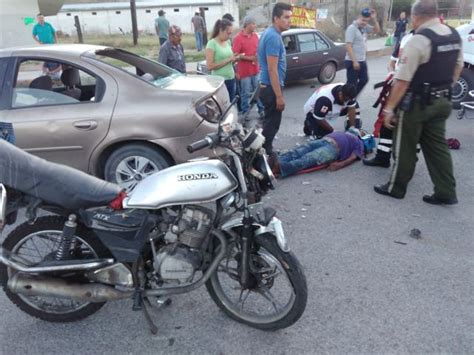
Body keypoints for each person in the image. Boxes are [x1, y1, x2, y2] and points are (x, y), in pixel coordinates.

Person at [374, 0, 463, 205]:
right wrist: (443, 87)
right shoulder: (453, 34)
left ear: (416, 16)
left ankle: (395, 187)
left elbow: (402, 80)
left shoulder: (419, 39)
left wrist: (389, 109)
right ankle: (446, 192)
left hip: (417, 103)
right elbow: (457, 68)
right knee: (438, 148)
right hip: (442, 100)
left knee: (404, 146)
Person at [364, 31, 415, 168]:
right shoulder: (405, 39)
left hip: (411, 91)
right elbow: (392, 62)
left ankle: (406, 163)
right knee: (387, 125)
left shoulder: (425, 40)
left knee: (408, 128)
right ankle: (382, 157)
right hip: (398, 85)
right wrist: (392, 73)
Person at [258, 2, 292, 155]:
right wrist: (279, 96)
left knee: (269, 122)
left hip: (268, 86)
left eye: (290, 17)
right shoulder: (273, 37)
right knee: (272, 124)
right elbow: (272, 69)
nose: (289, 20)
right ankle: (265, 154)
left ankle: (264, 150)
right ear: (276, 18)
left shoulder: (271, 33)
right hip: (271, 88)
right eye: (286, 17)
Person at [272, 130, 365, 178]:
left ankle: (280, 168)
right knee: (298, 151)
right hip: (324, 140)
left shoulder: (359, 142)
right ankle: (276, 161)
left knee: (306, 159)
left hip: (333, 149)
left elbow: (353, 157)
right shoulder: (345, 132)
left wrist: (339, 165)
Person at [232, 16, 264, 117]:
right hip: (244, 71)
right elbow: (235, 55)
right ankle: (245, 112)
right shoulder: (238, 38)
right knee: (245, 92)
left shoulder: (255, 36)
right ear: (248, 25)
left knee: (258, 91)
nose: (255, 26)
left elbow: (258, 49)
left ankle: (261, 110)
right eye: (253, 24)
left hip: (255, 69)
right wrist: (250, 58)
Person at [345, 8, 381, 95]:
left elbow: (377, 30)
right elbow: (348, 45)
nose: (364, 22)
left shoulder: (364, 28)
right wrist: (354, 61)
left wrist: (374, 19)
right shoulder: (352, 28)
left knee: (364, 80)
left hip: (362, 60)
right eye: (363, 20)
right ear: (359, 16)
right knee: (351, 84)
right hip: (352, 61)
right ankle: (347, 101)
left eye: (366, 21)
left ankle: (351, 98)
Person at [205, 19, 242, 101]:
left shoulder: (228, 42)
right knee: (223, 104)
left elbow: (230, 59)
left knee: (231, 103)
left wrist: (235, 59)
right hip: (220, 81)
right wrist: (229, 60)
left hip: (231, 78)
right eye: (228, 33)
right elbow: (209, 66)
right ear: (221, 30)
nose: (229, 36)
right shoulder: (212, 44)